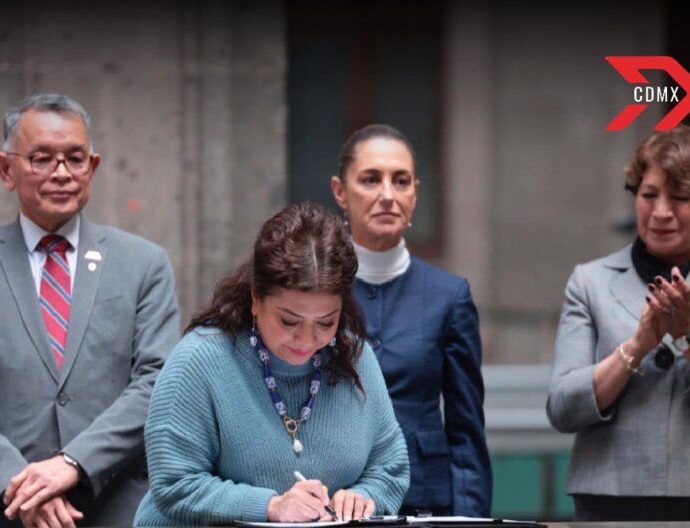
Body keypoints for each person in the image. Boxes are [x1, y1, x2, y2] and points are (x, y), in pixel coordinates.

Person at [0, 93, 180, 528]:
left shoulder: (144, 264)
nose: (61, 173)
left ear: (93, 167)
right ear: (6, 170)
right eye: (41, 158)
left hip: (115, 507)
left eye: (75, 159)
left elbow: (156, 384)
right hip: (2, 510)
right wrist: (20, 486)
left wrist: (73, 463)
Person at [133, 202, 409, 526]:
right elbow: (175, 484)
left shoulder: (353, 354)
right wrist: (271, 506)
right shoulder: (201, 359)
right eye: (289, 321)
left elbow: (389, 465)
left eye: (325, 322)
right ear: (256, 298)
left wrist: (364, 497)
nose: (306, 339)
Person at [547, 125, 690, 521]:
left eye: (680, 198)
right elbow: (562, 408)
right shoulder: (590, 282)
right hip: (611, 504)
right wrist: (636, 346)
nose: (660, 212)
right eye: (648, 195)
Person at [329, 124, 491, 516]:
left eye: (400, 181)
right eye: (370, 180)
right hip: (335, 497)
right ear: (340, 191)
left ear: (415, 192)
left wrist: (470, 520)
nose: (387, 195)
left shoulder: (448, 295)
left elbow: (466, 428)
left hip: (426, 499)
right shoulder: (316, 291)